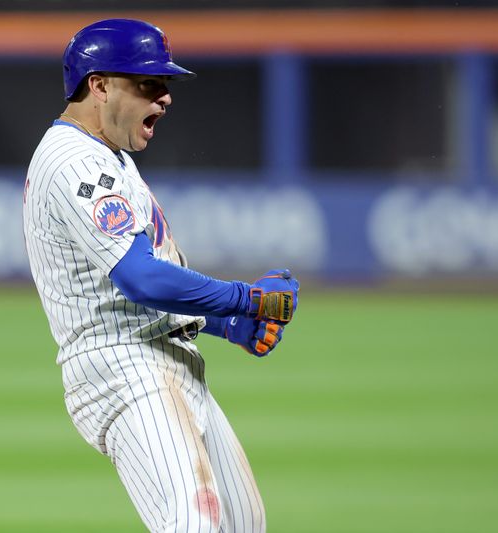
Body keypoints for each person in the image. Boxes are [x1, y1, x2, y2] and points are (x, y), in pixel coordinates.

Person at [22, 18, 299, 532]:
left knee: (242, 525)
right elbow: (140, 279)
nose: (165, 98)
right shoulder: (74, 161)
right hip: (122, 369)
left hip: (163, 356)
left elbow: (137, 289)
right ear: (99, 85)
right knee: (194, 524)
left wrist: (221, 324)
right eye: (148, 84)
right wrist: (244, 299)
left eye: (164, 86)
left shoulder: (110, 155)